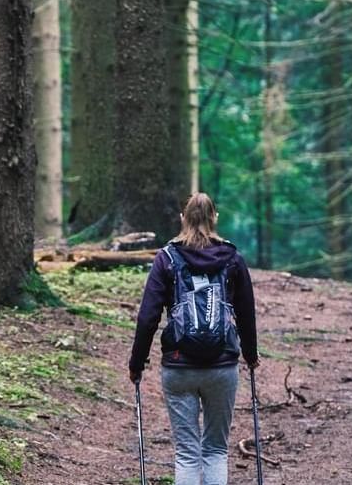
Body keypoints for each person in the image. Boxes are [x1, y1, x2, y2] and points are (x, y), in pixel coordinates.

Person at [129, 192, 259, 485]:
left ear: (182, 219)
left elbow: (148, 317)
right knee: (214, 449)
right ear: (215, 218)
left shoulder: (167, 258)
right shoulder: (232, 258)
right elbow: (246, 313)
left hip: (178, 367)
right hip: (222, 365)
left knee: (187, 453)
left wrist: (137, 363)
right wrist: (250, 355)